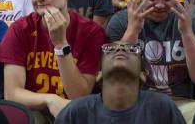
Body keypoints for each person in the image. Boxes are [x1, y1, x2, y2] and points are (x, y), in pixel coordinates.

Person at [0, 0, 107, 123]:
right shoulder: (20, 29)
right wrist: (50, 99)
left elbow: (79, 95)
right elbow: (12, 93)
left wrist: (60, 45)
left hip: (75, 113)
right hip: (35, 110)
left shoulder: (92, 32)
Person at [106, 0, 195, 123]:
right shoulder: (120, 22)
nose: (160, 5)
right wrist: (133, 31)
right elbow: (113, 79)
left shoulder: (191, 23)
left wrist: (187, 33)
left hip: (181, 102)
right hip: (134, 101)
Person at [55, 42, 185, 124]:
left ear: (143, 75)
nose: (121, 48)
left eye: (132, 49)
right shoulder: (76, 111)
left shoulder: (162, 107)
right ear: (98, 74)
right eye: (110, 49)